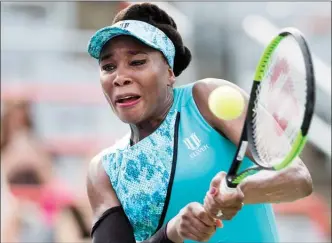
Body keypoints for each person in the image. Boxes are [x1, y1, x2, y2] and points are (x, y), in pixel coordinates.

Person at [86, 3, 313, 243]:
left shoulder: (206, 99)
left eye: (137, 62)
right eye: (108, 67)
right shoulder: (104, 170)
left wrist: (241, 191)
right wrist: (172, 232)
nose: (120, 78)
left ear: (170, 72)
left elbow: (297, 177)